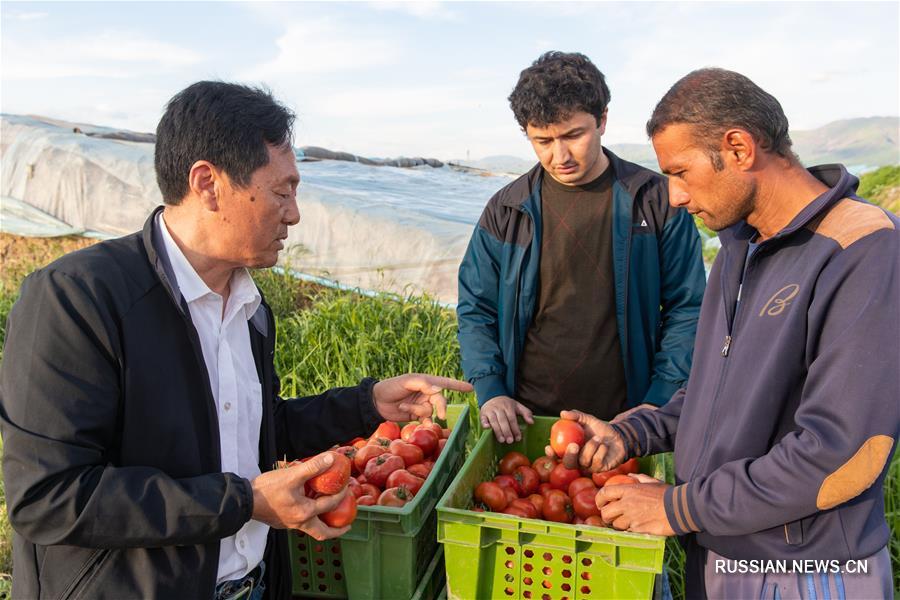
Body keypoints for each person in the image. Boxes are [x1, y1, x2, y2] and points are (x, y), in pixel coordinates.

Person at [0, 81, 472, 600]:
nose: (293, 214)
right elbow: (50, 495)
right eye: (281, 192)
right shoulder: (79, 299)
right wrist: (242, 502)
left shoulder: (248, 306)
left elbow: (254, 431)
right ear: (207, 183)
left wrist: (366, 403)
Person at [563, 68, 899, 598]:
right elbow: (718, 393)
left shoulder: (862, 248)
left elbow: (846, 453)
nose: (673, 196)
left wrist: (679, 506)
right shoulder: (737, 248)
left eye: (679, 171)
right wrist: (635, 431)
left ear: (738, 148)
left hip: (806, 571)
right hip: (719, 549)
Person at [456, 51, 706, 444]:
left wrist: (658, 399)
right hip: (527, 417)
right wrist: (491, 389)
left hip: (627, 419)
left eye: (574, 135)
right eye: (543, 140)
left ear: (602, 120)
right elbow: (476, 307)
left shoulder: (656, 201)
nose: (560, 156)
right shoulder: (507, 209)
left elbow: (688, 307)